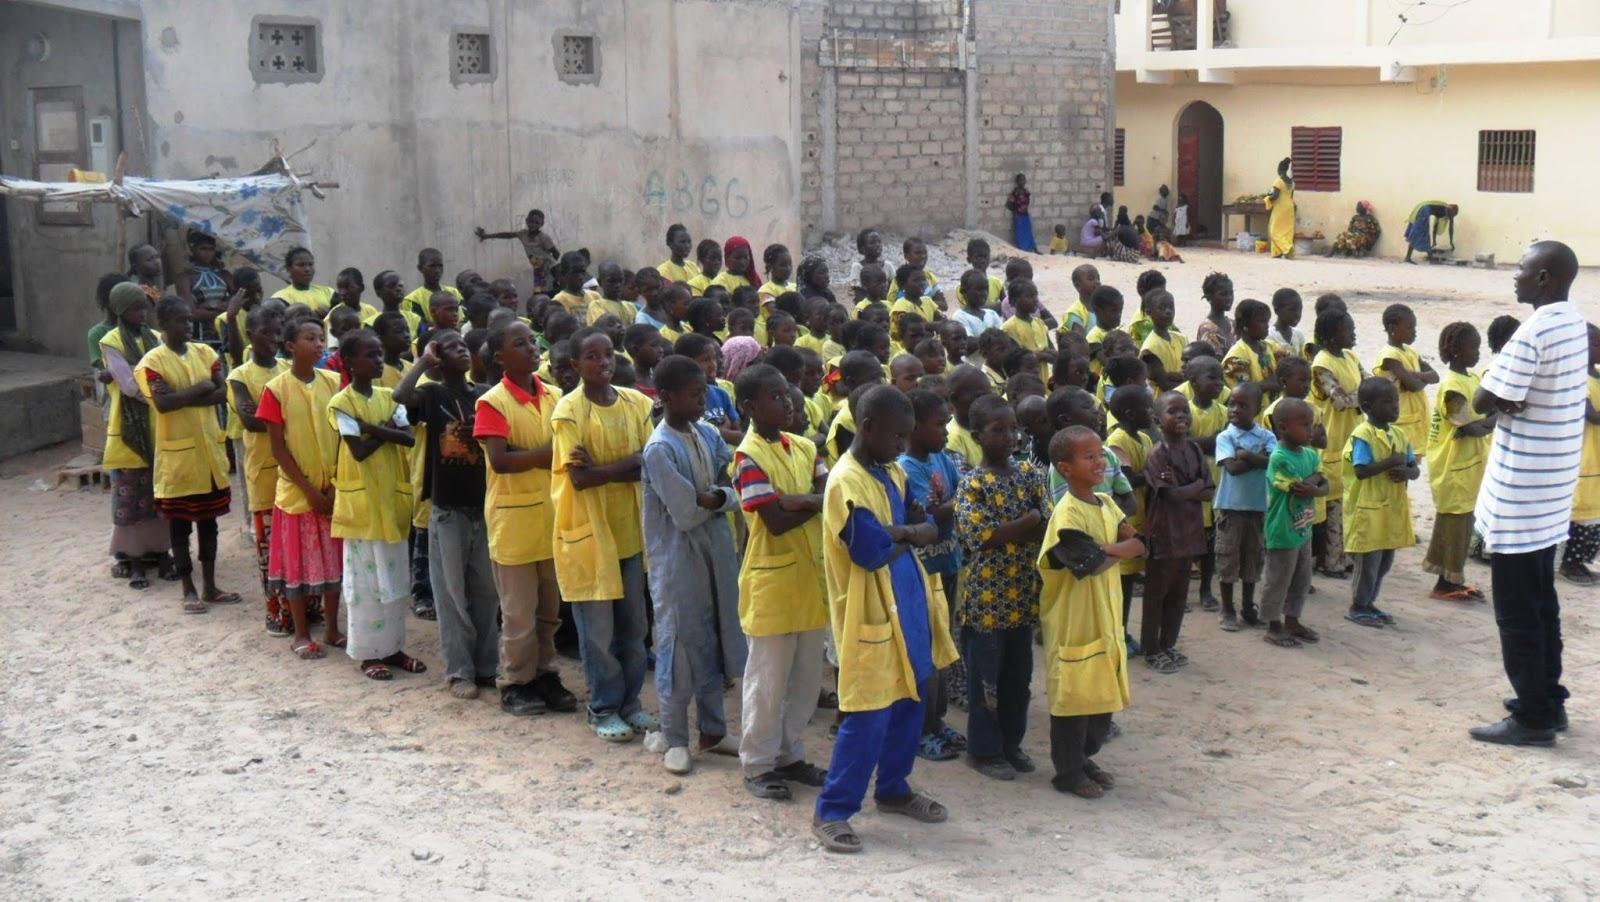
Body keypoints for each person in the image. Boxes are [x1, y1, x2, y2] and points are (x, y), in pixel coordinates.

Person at [812, 386, 957, 854]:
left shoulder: (891, 470)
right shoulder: (846, 482)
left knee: (910, 699)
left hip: (908, 599)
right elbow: (871, 550)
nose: (902, 444)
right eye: (897, 435)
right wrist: (910, 533)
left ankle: (893, 788)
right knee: (867, 714)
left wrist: (905, 532)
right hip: (870, 611)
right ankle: (833, 811)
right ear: (868, 426)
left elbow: (927, 524)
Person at [1469, 241, 1586, 747]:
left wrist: (1505, 398)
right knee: (1542, 604)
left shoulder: (1534, 330)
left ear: (1544, 278)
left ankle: (1533, 717)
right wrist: (1512, 399)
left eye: (1521, 269)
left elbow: (1483, 398)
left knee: (1517, 612)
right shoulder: (1574, 323)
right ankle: (1550, 701)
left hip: (1521, 497)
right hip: (1552, 490)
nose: (1513, 276)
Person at [551, 327, 657, 742]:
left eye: (608, 354)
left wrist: (605, 468)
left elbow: (650, 461)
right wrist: (625, 464)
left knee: (634, 628)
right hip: (589, 535)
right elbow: (579, 479)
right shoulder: (568, 412)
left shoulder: (635, 403)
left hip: (628, 533)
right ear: (575, 365)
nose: (603, 363)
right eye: (592, 357)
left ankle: (631, 704)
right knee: (597, 635)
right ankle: (603, 707)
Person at [641, 355, 745, 773]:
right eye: (694, 393)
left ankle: (714, 730)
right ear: (666, 397)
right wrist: (715, 499)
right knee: (679, 643)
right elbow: (684, 512)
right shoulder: (660, 448)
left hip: (716, 552)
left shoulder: (706, 433)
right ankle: (674, 735)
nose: (703, 399)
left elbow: (733, 480)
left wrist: (717, 497)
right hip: (677, 558)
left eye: (704, 391)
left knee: (716, 636)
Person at [731, 364, 832, 799]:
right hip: (772, 584)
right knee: (768, 681)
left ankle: (790, 753)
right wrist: (809, 500)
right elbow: (772, 520)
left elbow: (831, 496)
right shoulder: (746, 457)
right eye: (775, 397)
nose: (787, 402)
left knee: (806, 679)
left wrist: (799, 501)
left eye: (787, 395)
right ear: (751, 407)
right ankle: (757, 762)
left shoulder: (806, 447)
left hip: (810, 582)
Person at [1038, 425, 1142, 798]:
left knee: (1100, 696)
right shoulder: (1066, 515)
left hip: (1104, 614)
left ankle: (1083, 757)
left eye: (1101, 454)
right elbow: (1091, 562)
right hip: (1074, 621)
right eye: (1089, 457)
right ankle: (1067, 771)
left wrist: (1113, 547)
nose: (1101, 462)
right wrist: (1119, 549)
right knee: (1073, 698)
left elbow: (1129, 537)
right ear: (1065, 468)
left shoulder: (1106, 503)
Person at [955, 395, 1048, 781]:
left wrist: (1027, 522)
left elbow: (1047, 520)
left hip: (1023, 596)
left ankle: (1012, 743)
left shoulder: (1029, 473)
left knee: (1018, 681)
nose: (1009, 436)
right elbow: (982, 537)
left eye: (1013, 429)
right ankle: (984, 749)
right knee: (985, 682)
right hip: (986, 601)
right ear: (977, 436)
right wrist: (1027, 520)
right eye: (998, 430)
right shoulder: (972, 483)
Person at [325, 329, 423, 681]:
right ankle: (369, 654)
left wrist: (371, 428)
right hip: (362, 506)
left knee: (393, 580)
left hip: (390, 502)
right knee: (365, 585)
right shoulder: (340, 403)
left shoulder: (389, 396)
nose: (380, 361)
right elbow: (358, 450)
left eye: (381, 354)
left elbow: (408, 438)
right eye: (371, 355)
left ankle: (394, 648)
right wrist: (381, 431)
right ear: (351, 362)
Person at [137, 295, 238, 614]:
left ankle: (209, 585)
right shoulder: (152, 362)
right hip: (177, 458)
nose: (189, 325)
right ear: (163, 324)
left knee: (209, 524)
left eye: (189, 319)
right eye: (181, 320)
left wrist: (186, 395)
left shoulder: (205, 352)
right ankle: (187, 588)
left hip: (208, 454)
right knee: (179, 527)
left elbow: (224, 394)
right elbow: (163, 404)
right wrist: (201, 388)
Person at [259, 317, 345, 659]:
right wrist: (310, 490)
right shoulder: (276, 389)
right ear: (291, 345)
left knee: (333, 563)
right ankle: (300, 632)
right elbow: (278, 448)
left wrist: (335, 487)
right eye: (310, 338)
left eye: (321, 338)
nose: (319, 344)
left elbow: (343, 434)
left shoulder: (335, 382)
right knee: (297, 565)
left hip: (333, 489)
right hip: (297, 494)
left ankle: (333, 628)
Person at [897, 389, 967, 763]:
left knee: (943, 646)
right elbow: (929, 515)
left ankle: (937, 720)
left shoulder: (941, 457)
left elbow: (954, 500)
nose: (946, 431)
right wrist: (954, 505)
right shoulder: (908, 467)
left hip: (948, 563)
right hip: (923, 571)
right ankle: (921, 729)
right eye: (940, 424)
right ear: (914, 426)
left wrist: (951, 506)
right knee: (922, 651)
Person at [99, 282, 169, 591]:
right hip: (129, 428)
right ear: (119, 310)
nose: (142, 313)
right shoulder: (110, 341)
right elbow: (128, 384)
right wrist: (160, 395)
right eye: (135, 308)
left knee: (159, 495)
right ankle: (135, 560)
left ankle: (161, 553)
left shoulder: (154, 338)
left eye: (144, 307)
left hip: (156, 426)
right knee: (130, 499)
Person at [227, 305, 292, 632]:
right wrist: (287, 415)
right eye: (266, 332)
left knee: (295, 543)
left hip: (292, 470)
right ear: (250, 336)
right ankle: (275, 612)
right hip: (264, 472)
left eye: (278, 331)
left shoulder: (287, 369)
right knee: (268, 549)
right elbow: (250, 421)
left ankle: (303, 608)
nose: (274, 338)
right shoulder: (239, 376)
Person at [1141, 392, 1212, 672]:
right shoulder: (1158, 455)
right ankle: (1151, 648)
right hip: (1164, 533)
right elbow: (1170, 495)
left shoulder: (1194, 450)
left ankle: (1168, 644)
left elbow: (1208, 490)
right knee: (1157, 593)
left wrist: (1190, 489)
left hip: (1190, 531)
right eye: (1173, 411)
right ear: (1158, 420)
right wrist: (1194, 488)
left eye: (1185, 411)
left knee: (1179, 593)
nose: (1182, 415)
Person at [1342, 377, 1418, 630]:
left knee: (1385, 560)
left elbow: (1413, 467)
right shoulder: (1362, 435)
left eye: (1395, 401)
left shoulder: (1398, 433)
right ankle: (1358, 605)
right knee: (1368, 563)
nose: (1395, 407)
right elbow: (1361, 470)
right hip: (1368, 509)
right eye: (1387, 402)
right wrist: (1389, 462)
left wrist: (1407, 472)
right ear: (1367, 406)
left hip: (1390, 510)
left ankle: (1370, 602)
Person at [1260, 398, 1327, 648]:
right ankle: (1272, 624)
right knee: (1278, 579)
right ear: (1283, 427)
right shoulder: (1278, 457)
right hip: (1282, 530)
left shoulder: (1310, 454)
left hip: (1303, 528)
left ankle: (1292, 619)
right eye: (1305, 425)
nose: (1311, 431)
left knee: (1301, 579)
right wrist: (1315, 484)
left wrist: (1315, 485)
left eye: (1312, 424)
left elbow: (1322, 481)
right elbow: (1300, 487)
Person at [1213, 382, 1275, 631]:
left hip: (1258, 507)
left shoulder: (1267, 436)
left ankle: (1248, 607)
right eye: (1231, 404)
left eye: (1242, 405)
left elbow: (1274, 463)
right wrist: (1258, 459)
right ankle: (1227, 608)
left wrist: (1247, 456)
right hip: (1231, 507)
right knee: (1227, 559)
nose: (1235, 409)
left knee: (1253, 559)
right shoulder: (1225, 436)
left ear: (1257, 409)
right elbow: (1232, 468)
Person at [1105, 386, 1154, 654]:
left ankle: (1122, 630)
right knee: (1123, 582)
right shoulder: (1118, 440)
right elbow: (1127, 477)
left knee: (1132, 576)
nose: (1152, 411)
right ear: (1129, 413)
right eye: (1148, 407)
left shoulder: (1144, 439)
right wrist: (1153, 474)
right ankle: (1119, 633)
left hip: (1144, 515)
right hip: (1127, 520)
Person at [1371, 304, 1437, 454]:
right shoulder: (1389, 356)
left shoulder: (1412, 352)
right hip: (1400, 421)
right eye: (1409, 328)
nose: (1414, 332)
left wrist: (1414, 375)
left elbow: (1435, 376)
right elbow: (1414, 386)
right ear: (1392, 328)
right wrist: (1418, 379)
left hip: (1417, 421)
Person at [1563, 325, 1600, 587]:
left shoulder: (1596, 376)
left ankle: (1582, 560)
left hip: (1596, 454)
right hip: (1584, 455)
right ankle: (1570, 562)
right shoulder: (1577, 379)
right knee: (1581, 509)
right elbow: (1591, 415)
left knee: (1595, 509)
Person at [476, 209, 559, 289]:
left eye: (536, 223)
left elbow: (556, 254)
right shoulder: (523, 234)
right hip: (538, 270)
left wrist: (549, 268)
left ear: (542, 224)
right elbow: (507, 235)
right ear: (527, 221)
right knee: (540, 293)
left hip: (550, 269)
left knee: (551, 291)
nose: (533, 224)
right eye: (531, 221)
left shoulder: (543, 238)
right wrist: (487, 236)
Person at [1139, 290, 1186, 392]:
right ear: (1148, 311)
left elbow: (1192, 371)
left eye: (1171, 307)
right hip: (1163, 403)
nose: (1168, 311)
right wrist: (1188, 380)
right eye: (1162, 308)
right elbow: (1165, 385)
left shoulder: (1181, 338)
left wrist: (1175, 376)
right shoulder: (1150, 348)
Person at [271, 247, 335, 313]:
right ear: (288, 269)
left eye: (310, 264)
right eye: (301, 265)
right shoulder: (281, 298)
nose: (307, 269)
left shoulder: (328, 293)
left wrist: (330, 314)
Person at [1195, 272, 1236, 357]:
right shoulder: (1207, 329)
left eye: (1231, 293)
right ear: (1209, 297)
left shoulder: (1233, 324)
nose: (1229, 298)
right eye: (1223, 294)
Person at [1265, 157, 1296, 259]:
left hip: (1280, 207)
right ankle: (1277, 252)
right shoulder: (1292, 182)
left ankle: (1287, 248)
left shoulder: (1278, 181)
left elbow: (1275, 196)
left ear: (1279, 169)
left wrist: (1267, 197)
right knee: (1286, 230)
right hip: (1289, 207)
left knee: (1274, 230)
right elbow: (1291, 196)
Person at [1005, 174, 1037, 253]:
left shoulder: (1026, 192)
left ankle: (1032, 248)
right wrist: (1016, 210)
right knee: (1019, 233)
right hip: (1018, 215)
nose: (1022, 181)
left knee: (1028, 231)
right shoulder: (1015, 193)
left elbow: (1027, 202)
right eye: (1020, 180)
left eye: (1024, 179)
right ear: (1017, 181)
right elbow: (1008, 204)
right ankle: (1022, 249)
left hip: (1025, 215)